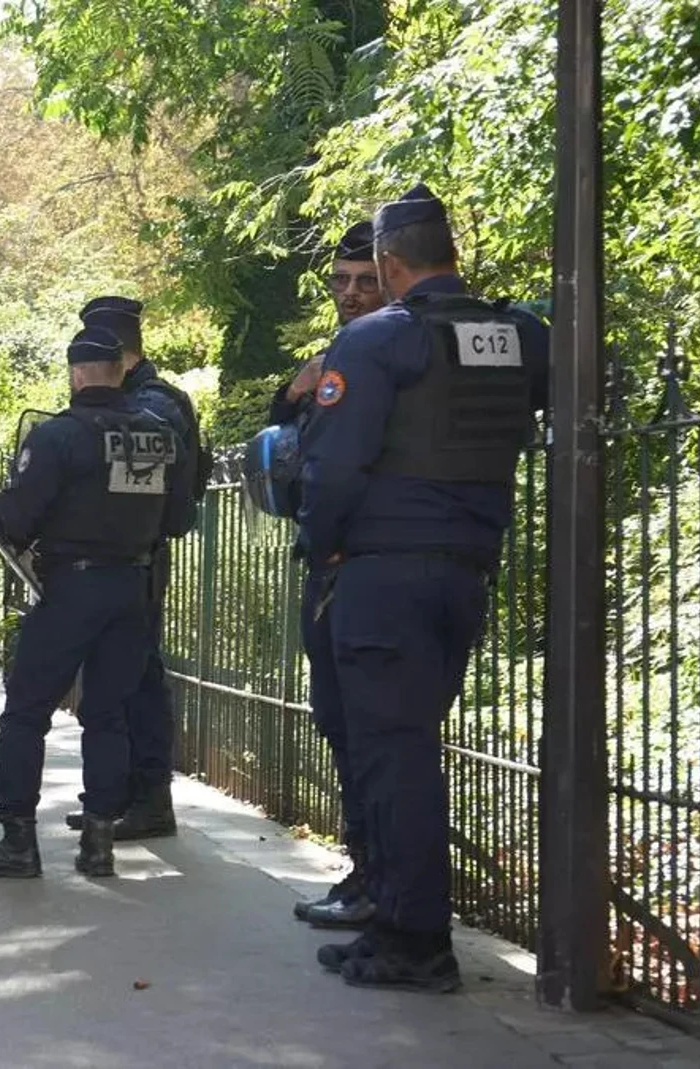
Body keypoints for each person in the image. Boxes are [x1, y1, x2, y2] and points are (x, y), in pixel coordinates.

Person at [300, 184, 548, 992]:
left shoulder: (377, 341)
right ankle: (398, 926)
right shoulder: (521, 335)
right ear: (453, 253)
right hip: (467, 569)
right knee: (408, 748)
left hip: (383, 576)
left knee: (392, 756)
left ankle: (414, 939)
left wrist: (321, 548)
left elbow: (335, 467)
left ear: (388, 263)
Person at [0, 326, 186, 881]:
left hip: (71, 590)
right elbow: (179, 517)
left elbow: (17, 521)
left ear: (77, 373)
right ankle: (99, 844)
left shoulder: (59, 436)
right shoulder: (159, 435)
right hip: (133, 588)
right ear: (120, 370)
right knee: (108, 715)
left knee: (26, 712)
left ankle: (18, 841)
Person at [252, 221, 388, 931]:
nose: (351, 293)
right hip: (332, 564)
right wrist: (291, 391)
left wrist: (327, 543)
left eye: (365, 281)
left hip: (357, 564)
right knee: (340, 722)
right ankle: (367, 870)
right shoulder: (335, 357)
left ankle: (379, 880)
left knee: (370, 730)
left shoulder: (386, 355)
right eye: (341, 281)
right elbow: (289, 446)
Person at [61, 295, 204, 843]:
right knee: (117, 678)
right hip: (118, 558)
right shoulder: (135, 400)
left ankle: (150, 799)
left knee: (139, 678)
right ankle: (116, 796)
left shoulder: (155, 405)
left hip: (138, 557)